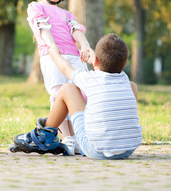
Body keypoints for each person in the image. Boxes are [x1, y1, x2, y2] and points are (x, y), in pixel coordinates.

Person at [13, 33, 142, 159]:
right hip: (128, 149)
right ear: (124, 64)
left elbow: (65, 68)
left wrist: (54, 54)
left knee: (68, 89)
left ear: (95, 61)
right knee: (132, 87)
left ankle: (44, 135)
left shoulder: (89, 78)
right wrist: (97, 62)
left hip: (95, 149)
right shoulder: (127, 82)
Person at [27, 0, 94, 155]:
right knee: (59, 95)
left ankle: (81, 137)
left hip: (74, 56)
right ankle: (68, 138)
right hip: (53, 55)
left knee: (81, 93)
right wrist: (53, 46)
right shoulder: (35, 7)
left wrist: (86, 45)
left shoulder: (67, 14)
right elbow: (42, 28)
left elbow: (75, 30)